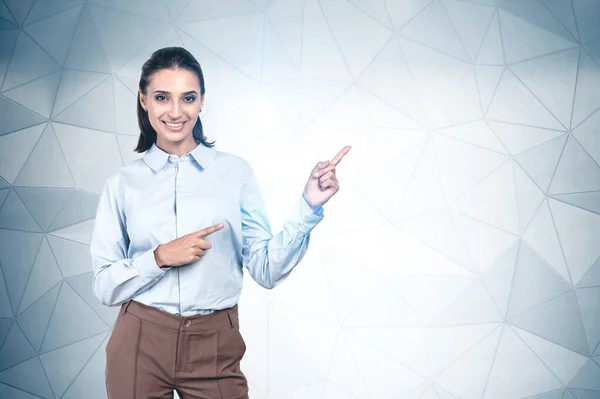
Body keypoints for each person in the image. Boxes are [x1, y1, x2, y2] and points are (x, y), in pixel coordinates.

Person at [89, 46, 350, 399]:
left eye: (189, 98)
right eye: (163, 97)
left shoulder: (235, 173)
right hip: (139, 341)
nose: (176, 111)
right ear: (144, 100)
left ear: (201, 102)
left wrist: (308, 207)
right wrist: (160, 256)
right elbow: (105, 286)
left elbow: (266, 271)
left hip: (215, 343)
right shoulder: (122, 184)